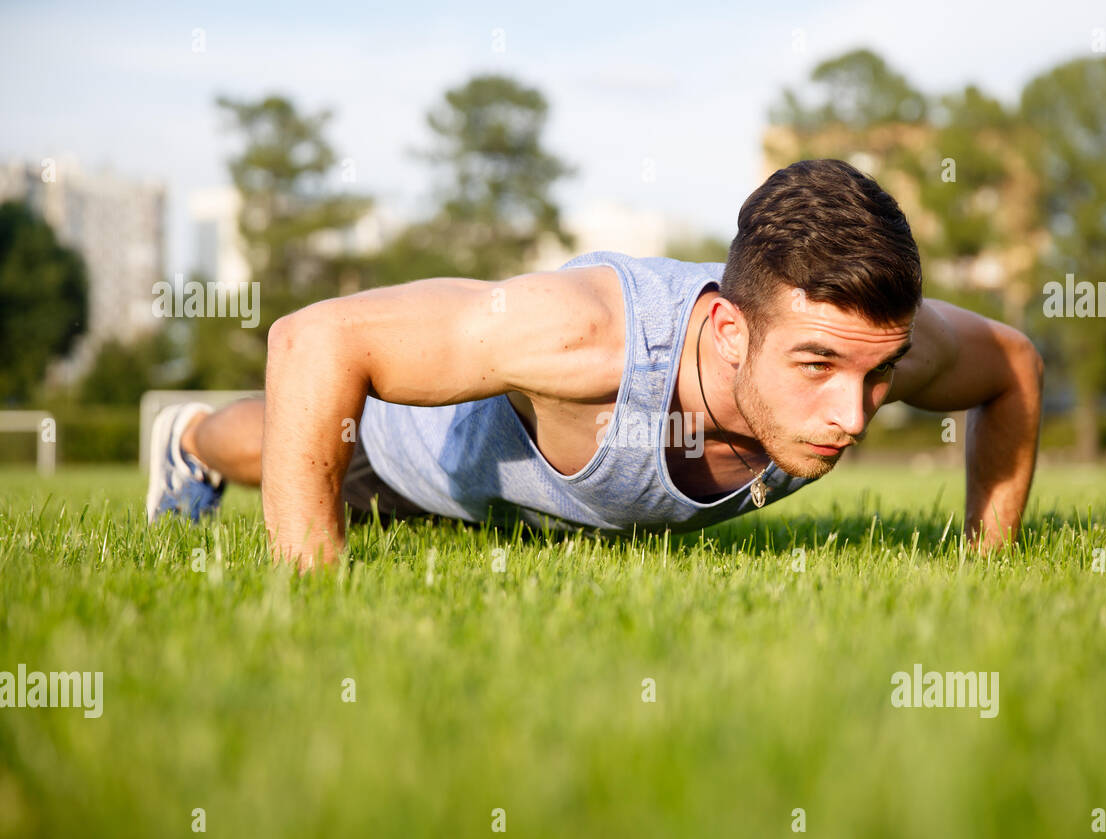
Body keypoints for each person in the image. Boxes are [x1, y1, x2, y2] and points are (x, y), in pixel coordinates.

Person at [146, 158, 1043, 571]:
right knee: (271, 446)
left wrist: (986, 560)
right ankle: (184, 437)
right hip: (410, 458)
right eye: (815, 367)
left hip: (538, 513)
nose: (853, 414)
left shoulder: (867, 340)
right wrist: (309, 587)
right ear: (729, 331)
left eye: (876, 378)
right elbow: (314, 339)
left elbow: (1012, 365)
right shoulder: (587, 336)